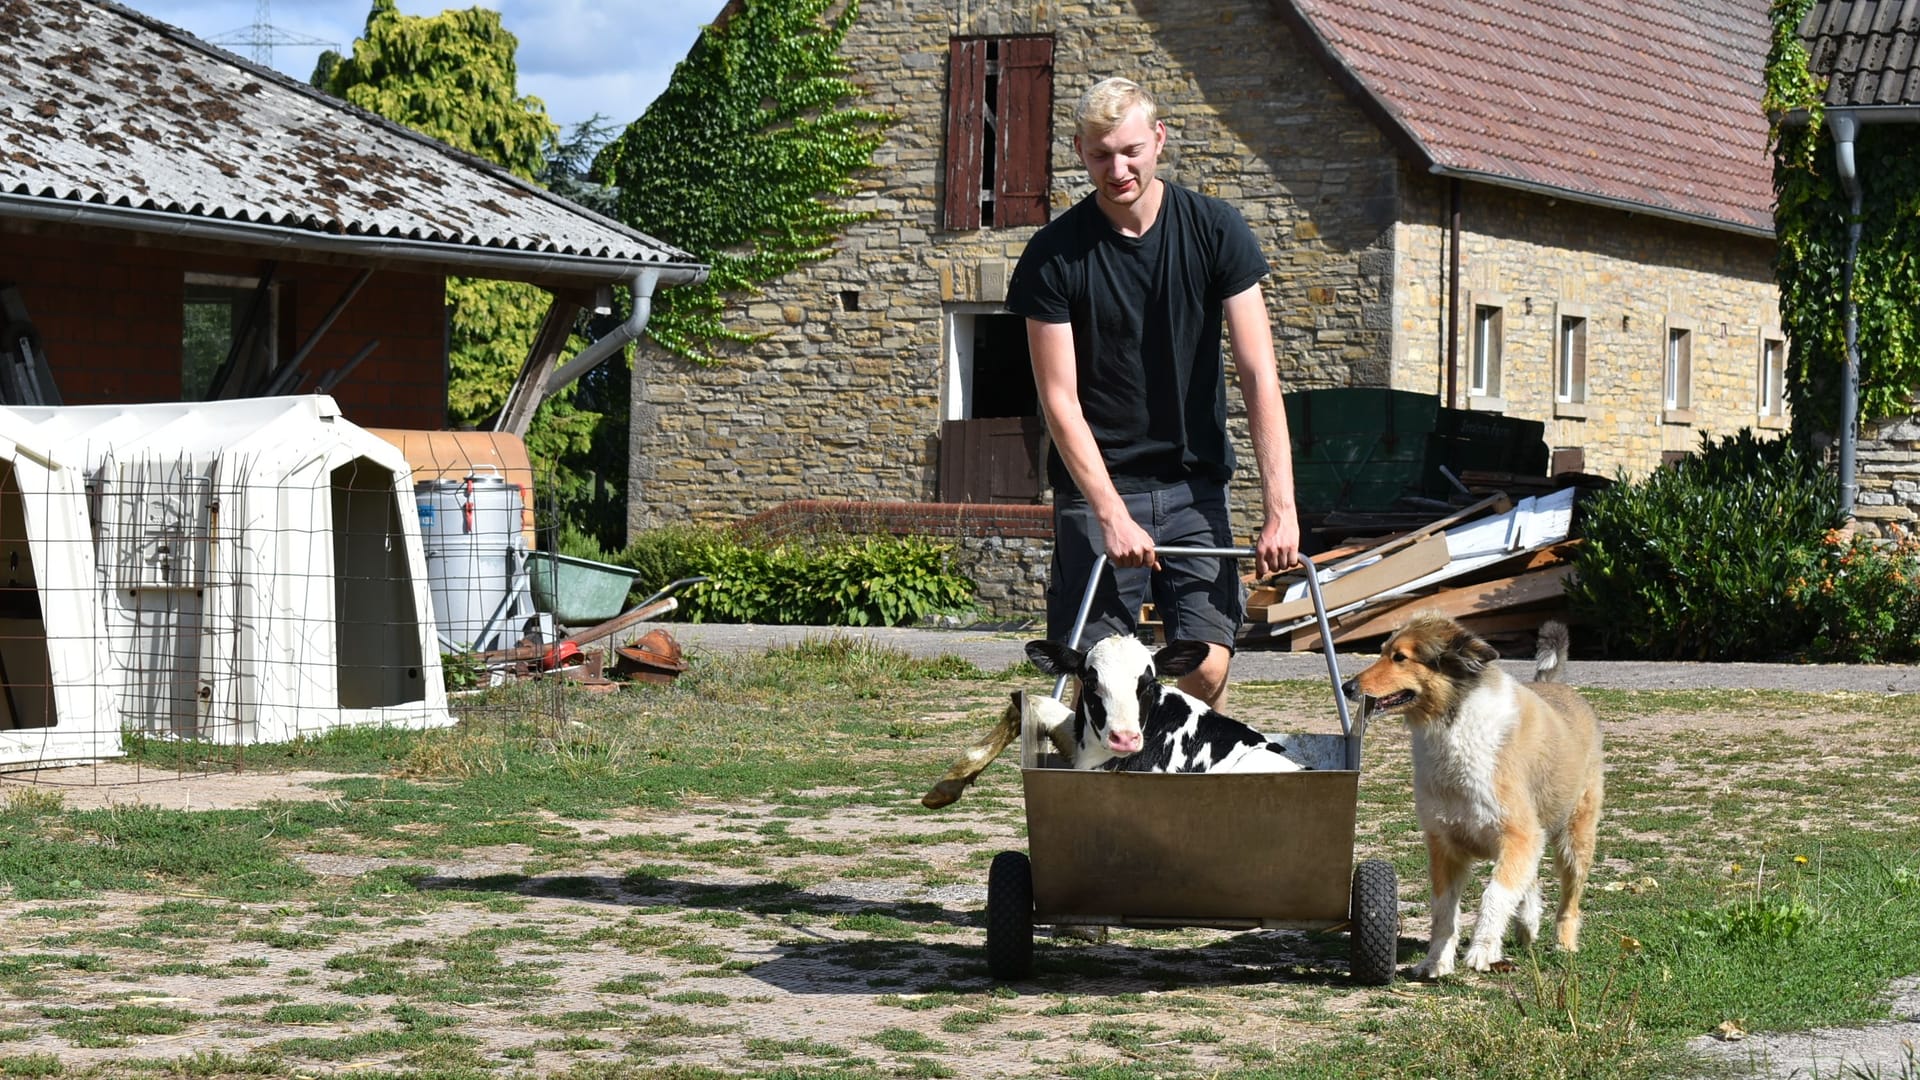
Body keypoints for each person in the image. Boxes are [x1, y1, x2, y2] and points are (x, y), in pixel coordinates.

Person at [1006, 76, 1301, 711]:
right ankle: (1114, 792)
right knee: (1100, 675)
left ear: (1159, 140)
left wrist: (1281, 507)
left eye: (1132, 150)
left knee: (1209, 668)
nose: (1118, 169)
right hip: (1098, 488)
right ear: (1080, 152)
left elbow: (1258, 374)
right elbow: (1059, 400)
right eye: (1100, 154)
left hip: (1194, 487)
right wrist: (1111, 511)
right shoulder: (1054, 256)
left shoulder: (1216, 230)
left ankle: (1184, 780)